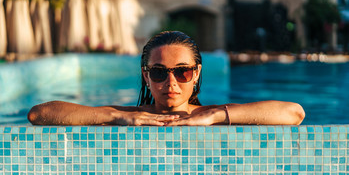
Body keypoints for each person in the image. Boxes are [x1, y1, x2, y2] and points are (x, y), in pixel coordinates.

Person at [28, 31, 305, 126]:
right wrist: (115, 116)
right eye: (159, 73)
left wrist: (214, 117)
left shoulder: (211, 115)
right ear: (146, 77)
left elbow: (294, 113)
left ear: (195, 74)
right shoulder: (128, 116)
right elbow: (39, 114)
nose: (170, 84)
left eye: (182, 71)